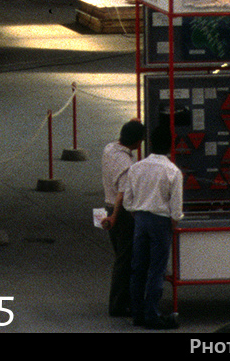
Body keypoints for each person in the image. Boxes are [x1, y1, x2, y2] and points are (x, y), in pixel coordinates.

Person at [116, 124, 183, 330]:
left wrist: (137, 213)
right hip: (160, 222)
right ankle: (152, 314)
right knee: (156, 269)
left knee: (138, 268)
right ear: (170, 147)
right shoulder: (173, 171)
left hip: (140, 220)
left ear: (150, 144)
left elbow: (127, 201)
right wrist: (174, 221)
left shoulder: (136, 168)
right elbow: (176, 208)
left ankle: (138, 313)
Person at [100, 120, 147, 317]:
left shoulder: (109, 149)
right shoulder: (127, 165)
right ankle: (119, 303)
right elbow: (122, 193)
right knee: (125, 259)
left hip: (107, 204)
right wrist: (114, 218)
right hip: (121, 212)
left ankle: (122, 300)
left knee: (121, 255)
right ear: (137, 142)